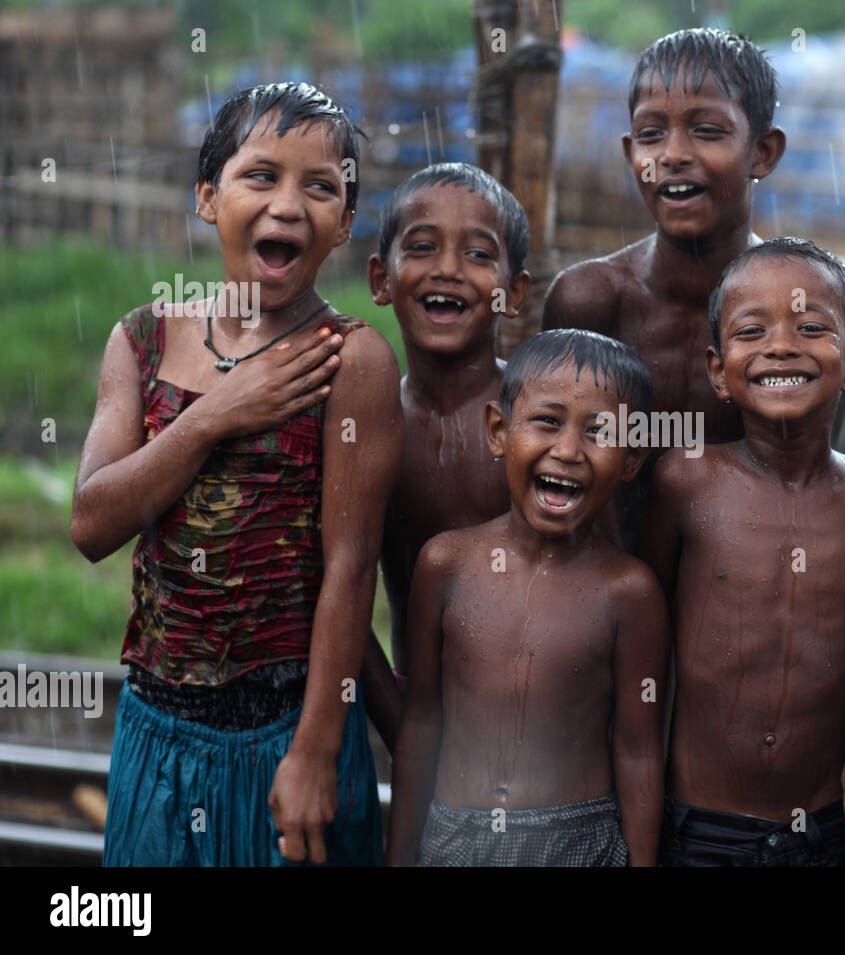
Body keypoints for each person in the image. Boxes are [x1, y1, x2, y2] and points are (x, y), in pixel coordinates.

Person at [71, 82, 402, 866]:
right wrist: (217, 413)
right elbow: (92, 525)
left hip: (286, 729)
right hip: (156, 727)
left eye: (321, 187)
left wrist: (316, 751)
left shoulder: (347, 360)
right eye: (262, 176)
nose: (288, 205)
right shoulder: (143, 340)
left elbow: (350, 573)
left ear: (347, 224)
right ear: (207, 197)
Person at [644, 238, 845, 866]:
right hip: (697, 831)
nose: (782, 346)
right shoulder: (684, 481)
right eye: (752, 330)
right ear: (718, 370)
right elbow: (644, 652)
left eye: (812, 327)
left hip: (827, 832)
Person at [387, 329, 670, 867]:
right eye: (547, 421)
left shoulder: (629, 593)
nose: (567, 451)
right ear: (499, 430)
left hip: (577, 841)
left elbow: (638, 749)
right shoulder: (445, 565)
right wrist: (399, 856)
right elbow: (422, 719)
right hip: (455, 838)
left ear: (632, 458)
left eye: (599, 432)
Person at [544, 28, 789, 548]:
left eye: (706, 130)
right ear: (631, 153)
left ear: (762, 152)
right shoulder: (589, 301)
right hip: (602, 592)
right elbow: (555, 472)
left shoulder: (799, 310)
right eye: (652, 135)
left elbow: (805, 484)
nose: (673, 154)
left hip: (741, 585)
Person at [359, 163, 531, 746]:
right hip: (417, 715)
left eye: (480, 255)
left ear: (516, 294)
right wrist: (402, 728)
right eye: (424, 247)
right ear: (381, 279)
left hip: (542, 725)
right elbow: (342, 591)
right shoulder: (370, 427)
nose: (449, 270)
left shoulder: (541, 427)